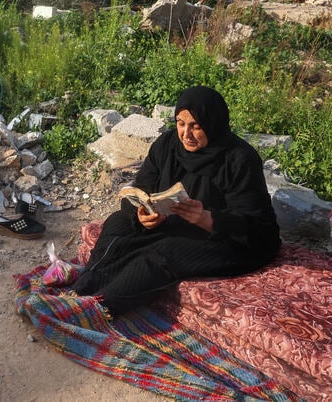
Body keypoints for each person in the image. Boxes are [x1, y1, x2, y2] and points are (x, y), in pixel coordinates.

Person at [71, 86, 281, 314]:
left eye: (196, 126)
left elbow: (258, 228)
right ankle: (83, 286)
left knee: (163, 253)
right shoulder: (168, 144)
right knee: (118, 222)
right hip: (173, 225)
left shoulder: (240, 159)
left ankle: (100, 309)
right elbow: (141, 186)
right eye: (181, 123)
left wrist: (207, 218)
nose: (186, 134)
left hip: (229, 240)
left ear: (213, 124)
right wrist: (142, 214)